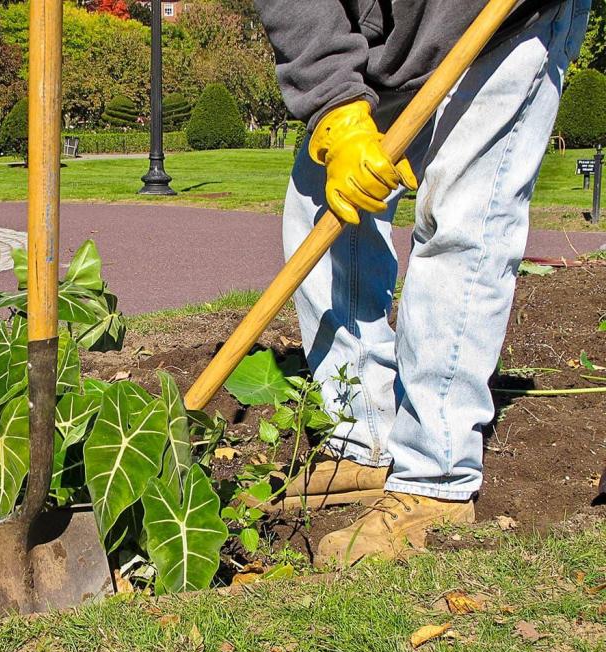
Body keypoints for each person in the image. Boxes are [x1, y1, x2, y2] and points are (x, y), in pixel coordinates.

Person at [253, 0, 590, 566]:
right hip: (383, 40)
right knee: (321, 199)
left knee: (461, 221)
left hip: (503, 21)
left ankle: (436, 475)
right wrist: (337, 109)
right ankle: (362, 435)